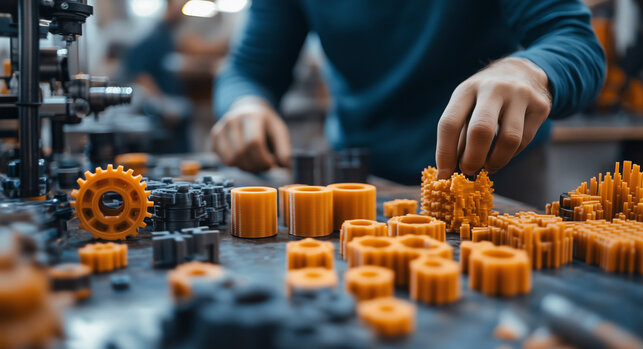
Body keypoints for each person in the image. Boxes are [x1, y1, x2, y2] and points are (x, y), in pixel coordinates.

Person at [211, 0, 605, 186]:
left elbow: (574, 40)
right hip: (359, 176)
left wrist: (530, 71)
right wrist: (246, 103)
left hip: (496, 170)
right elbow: (247, 70)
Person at [122, 0, 229, 152]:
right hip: (161, 121)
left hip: (178, 117)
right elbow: (140, 76)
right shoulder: (151, 38)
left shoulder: (171, 37)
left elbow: (196, 49)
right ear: (170, 4)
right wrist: (163, 105)